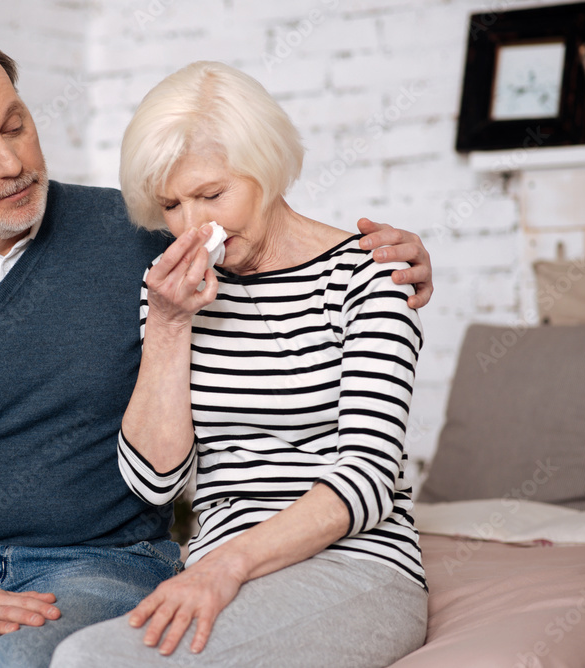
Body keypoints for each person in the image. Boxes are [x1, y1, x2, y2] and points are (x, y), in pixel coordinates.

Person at [0, 27, 433, 668]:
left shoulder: (143, 235)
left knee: (30, 663)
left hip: (97, 567)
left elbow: (268, 245)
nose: (11, 162)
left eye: (16, 125)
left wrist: (393, 260)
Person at [50, 61, 428, 668]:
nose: (193, 226)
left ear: (268, 169)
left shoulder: (370, 276)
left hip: (356, 565)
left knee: (94, 661)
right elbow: (154, 482)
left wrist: (228, 566)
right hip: (220, 569)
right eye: (172, 205)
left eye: (212, 195)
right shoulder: (173, 294)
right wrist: (169, 327)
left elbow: (368, 477)